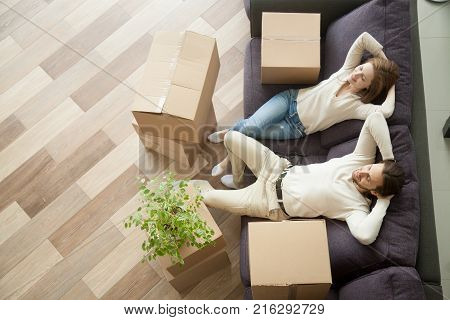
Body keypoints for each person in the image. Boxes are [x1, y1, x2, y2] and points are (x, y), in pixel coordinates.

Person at [208, 32, 400, 186]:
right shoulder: (346, 71)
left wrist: (391, 85)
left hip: (295, 128)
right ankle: (229, 156)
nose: (356, 75)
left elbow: (385, 112)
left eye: (363, 78)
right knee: (250, 127)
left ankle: (232, 162)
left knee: (249, 131)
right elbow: (363, 39)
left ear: (369, 87)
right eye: (361, 69)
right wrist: (382, 60)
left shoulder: (357, 107)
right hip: (288, 100)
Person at [195, 112, 405, 245]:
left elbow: (366, 236)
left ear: (375, 192)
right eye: (370, 167)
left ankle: (237, 188)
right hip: (276, 168)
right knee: (231, 137)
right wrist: (388, 159)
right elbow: (375, 117)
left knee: (209, 198)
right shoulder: (360, 160)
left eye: (369, 178)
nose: (362, 172)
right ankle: (240, 181)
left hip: (268, 203)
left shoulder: (356, 209)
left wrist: (384, 202)